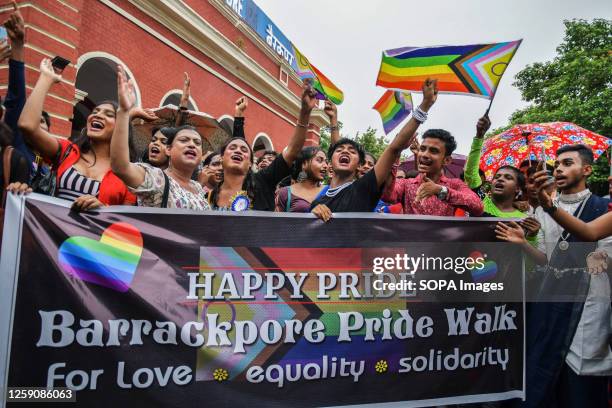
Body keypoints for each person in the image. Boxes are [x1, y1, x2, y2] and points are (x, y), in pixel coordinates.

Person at [503, 144, 611, 408]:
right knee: (543, 375)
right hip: (550, 300)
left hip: (588, 305)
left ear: (586, 169)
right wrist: (523, 243)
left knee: (581, 380)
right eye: (557, 164)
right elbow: (547, 259)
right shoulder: (541, 210)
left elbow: (601, 254)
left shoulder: (603, 207)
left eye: (568, 163)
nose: (559, 168)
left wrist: (599, 258)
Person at [310, 79, 438, 221]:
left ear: (359, 166)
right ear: (330, 163)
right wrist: (312, 214)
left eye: (352, 151)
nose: (345, 152)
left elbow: (393, 150)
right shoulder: (316, 202)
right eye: (340, 150)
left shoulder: (362, 189)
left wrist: (424, 106)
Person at [18, 59, 136, 210]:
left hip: (93, 234)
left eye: (108, 114)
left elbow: (128, 224)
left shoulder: (127, 173)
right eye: (95, 112)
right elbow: (27, 125)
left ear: (121, 126)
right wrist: (46, 78)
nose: (97, 115)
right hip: (49, 231)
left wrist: (103, 210)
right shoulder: (67, 150)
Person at [208, 80, 317, 211]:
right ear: (221, 158)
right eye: (232, 148)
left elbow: (292, 151)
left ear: (250, 163)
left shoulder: (262, 182)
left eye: (244, 150)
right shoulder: (208, 197)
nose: (238, 151)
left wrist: (305, 113)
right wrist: (238, 116)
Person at [110, 66, 209, 210]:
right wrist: (124, 112)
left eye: (197, 142)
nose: (192, 145)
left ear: (201, 155)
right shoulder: (156, 178)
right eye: (184, 140)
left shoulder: (198, 188)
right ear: (168, 150)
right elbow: (121, 167)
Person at [381, 126, 483, 217]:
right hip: (411, 238)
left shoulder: (454, 184)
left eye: (433, 151)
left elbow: (478, 207)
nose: (424, 154)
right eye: (423, 149)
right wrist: (396, 151)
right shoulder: (406, 184)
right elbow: (388, 196)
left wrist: (440, 191)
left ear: (446, 160)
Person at [275, 146, 328, 212]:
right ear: (304, 164)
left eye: (326, 162)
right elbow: (277, 221)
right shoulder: (285, 193)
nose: (325, 166)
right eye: (319, 160)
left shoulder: (330, 191)